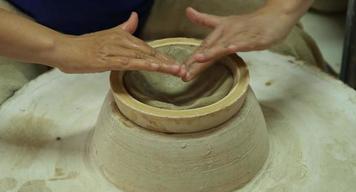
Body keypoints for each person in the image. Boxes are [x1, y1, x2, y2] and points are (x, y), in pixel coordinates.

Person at [0, 0, 321, 104]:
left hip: (148, 5)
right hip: (17, 16)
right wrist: (60, 48)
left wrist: (281, 11)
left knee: (289, 51)